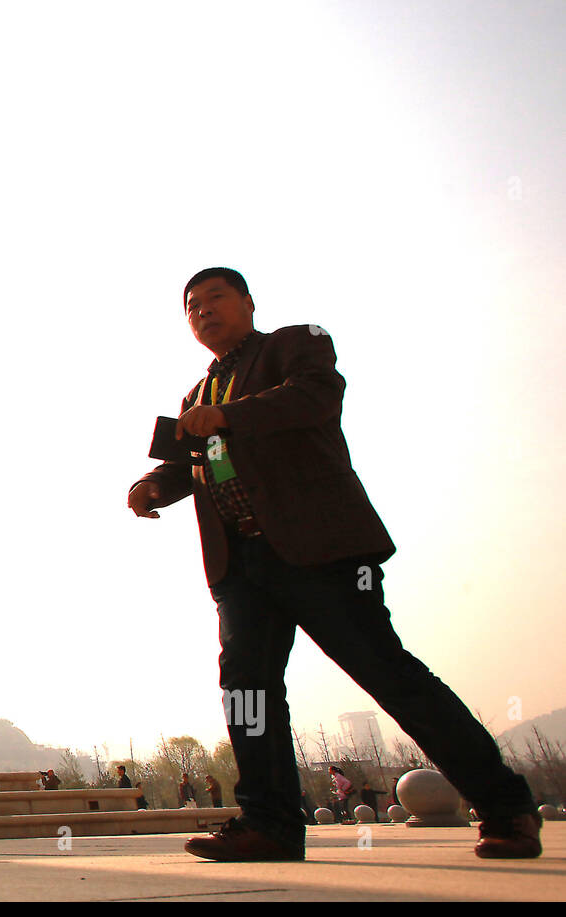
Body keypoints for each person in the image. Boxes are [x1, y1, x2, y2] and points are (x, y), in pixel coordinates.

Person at [128, 267, 540, 861]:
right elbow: (199, 460)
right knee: (247, 694)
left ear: (247, 301)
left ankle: (505, 808)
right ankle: (268, 824)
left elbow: (312, 398)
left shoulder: (297, 344)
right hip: (240, 566)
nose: (203, 310)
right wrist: (155, 486)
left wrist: (229, 417)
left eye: (215, 297)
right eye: (191, 305)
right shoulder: (197, 396)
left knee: (388, 674)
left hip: (317, 550)